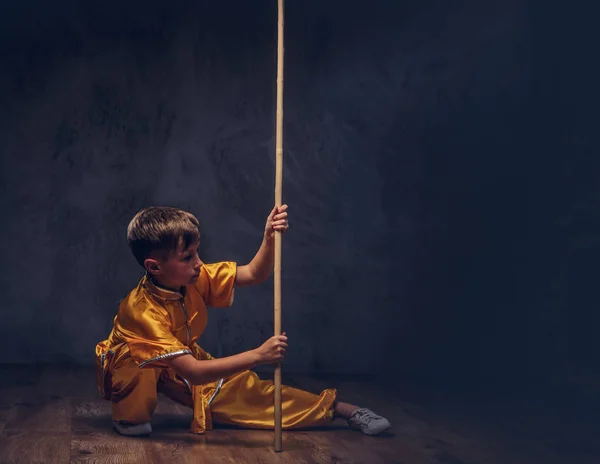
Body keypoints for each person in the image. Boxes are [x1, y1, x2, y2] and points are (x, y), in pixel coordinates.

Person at [95, 205, 391, 437]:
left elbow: (253, 274)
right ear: (154, 267)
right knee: (137, 363)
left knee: (246, 392)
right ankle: (128, 414)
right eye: (187, 257)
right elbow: (195, 373)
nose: (198, 262)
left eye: (197, 253)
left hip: (181, 359)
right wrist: (258, 356)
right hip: (137, 367)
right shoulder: (140, 311)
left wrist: (268, 239)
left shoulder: (192, 278)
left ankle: (342, 410)